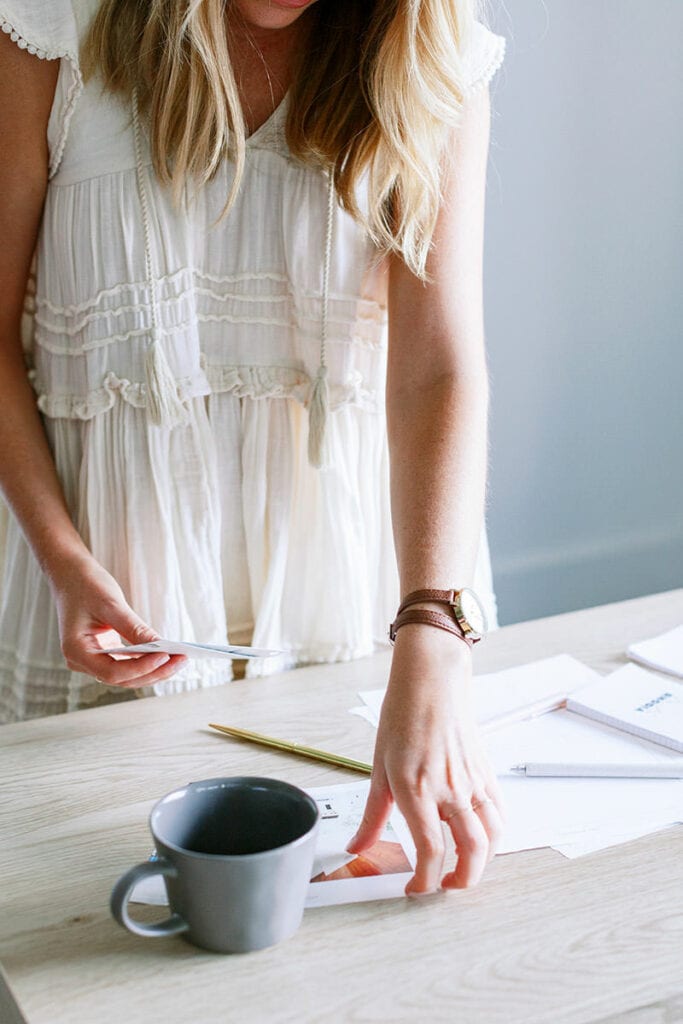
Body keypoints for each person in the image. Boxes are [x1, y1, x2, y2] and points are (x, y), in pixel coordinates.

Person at [0, 0, 507, 893]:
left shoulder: (432, 45)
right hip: (92, 598)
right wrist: (66, 559)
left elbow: (439, 368)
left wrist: (433, 627)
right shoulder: (51, 27)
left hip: (353, 607)